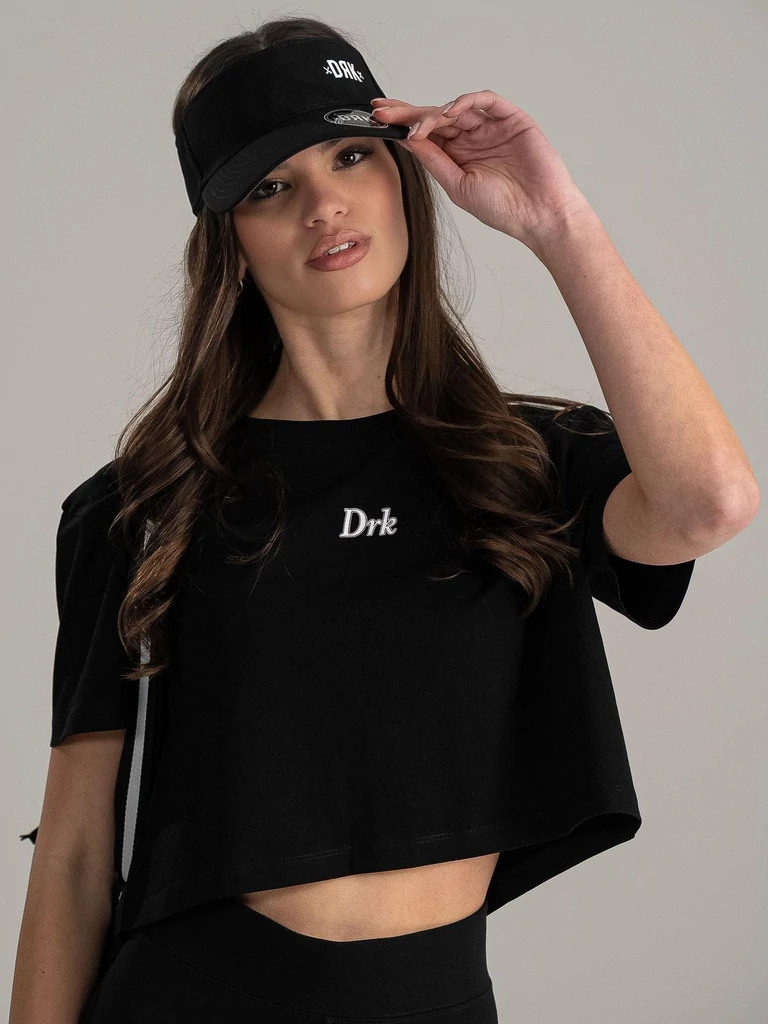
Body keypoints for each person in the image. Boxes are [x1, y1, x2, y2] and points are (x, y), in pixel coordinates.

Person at [10, 15, 759, 1024]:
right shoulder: (146, 505)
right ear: (230, 242)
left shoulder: (518, 463)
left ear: (404, 174)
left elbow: (711, 502)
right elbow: (72, 856)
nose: (323, 204)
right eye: (270, 187)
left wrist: (560, 224)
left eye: (352, 156)